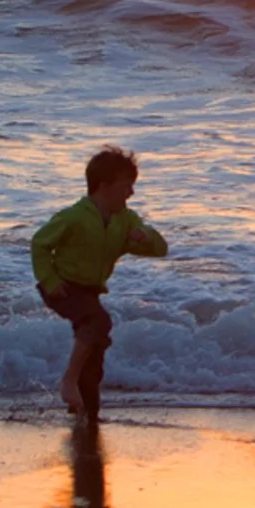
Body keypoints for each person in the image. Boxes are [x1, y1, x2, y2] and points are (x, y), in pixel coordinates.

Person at [31, 146, 168, 423]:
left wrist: (146, 235)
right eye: (127, 186)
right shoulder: (74, 217)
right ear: (104, 186)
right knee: (99, 321)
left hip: (90, 292)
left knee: (95, 356)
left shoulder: (125, 220)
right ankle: (68, 380)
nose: (131, 193)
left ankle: (86, 415)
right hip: (62, 287)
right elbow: (40, 243)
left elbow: (160, 249)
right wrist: (50, 280)